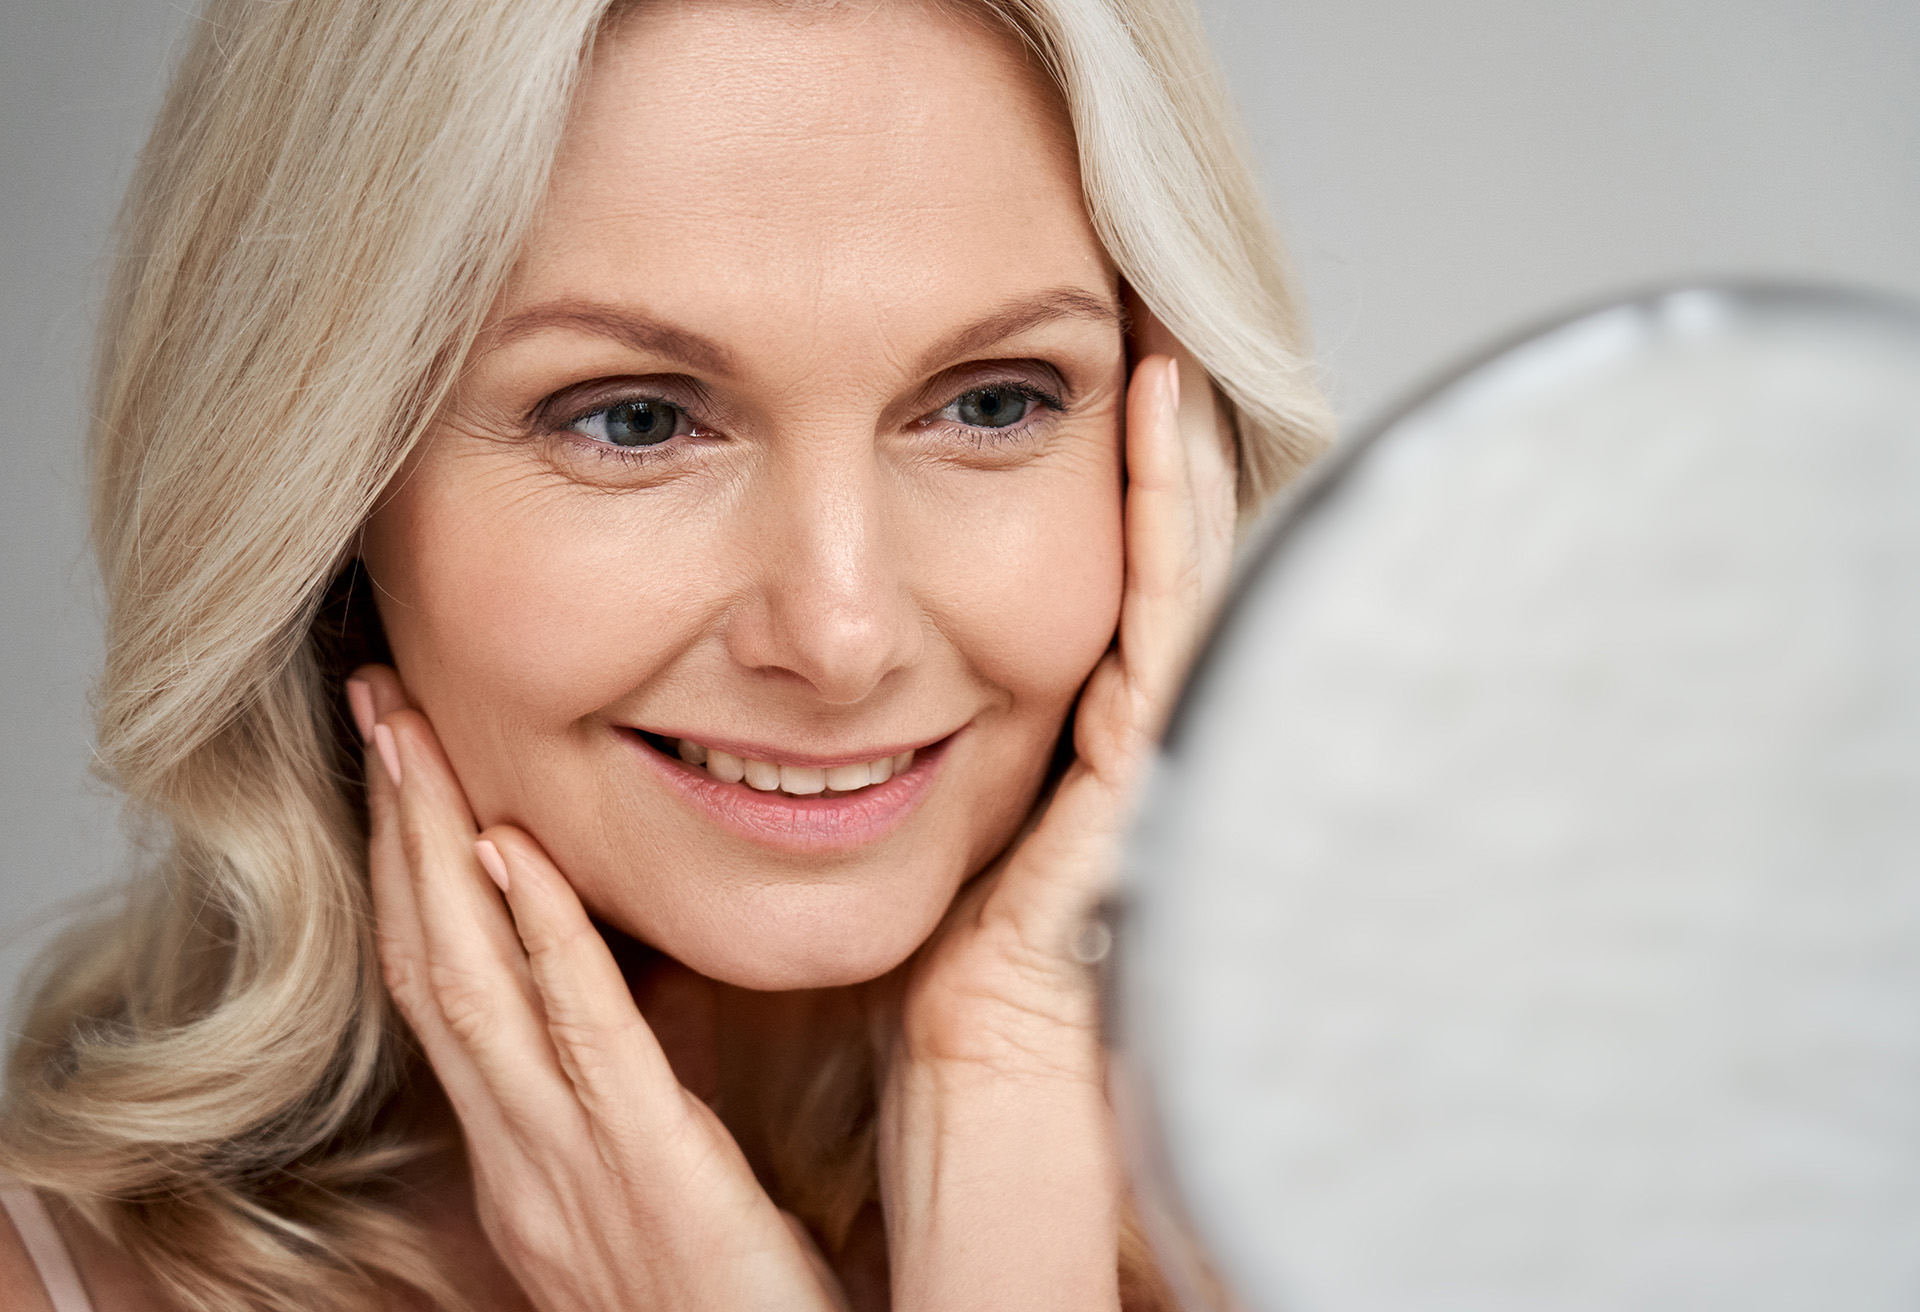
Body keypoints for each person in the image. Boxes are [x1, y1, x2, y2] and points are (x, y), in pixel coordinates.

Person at [0, 0, 1330, 1307]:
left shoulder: (1400, 1227)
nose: (840, 633)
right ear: (324, 489)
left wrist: (1008, 1143)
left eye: (992, 402)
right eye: (634, 420)